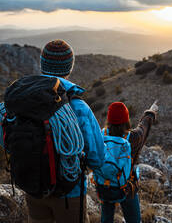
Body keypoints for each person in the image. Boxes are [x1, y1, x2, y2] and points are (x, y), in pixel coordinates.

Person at [1, 39, 105, 223]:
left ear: (42, 65)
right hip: (69, 193)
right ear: (69, 67)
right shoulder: (78, 107)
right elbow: (97, 158)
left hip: (32, 187)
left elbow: (7, 139)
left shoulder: (19, 102)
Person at [93, 101, 158, 223]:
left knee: (106, 217)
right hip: (127, 186)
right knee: (133, 219)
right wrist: (150, 113)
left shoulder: (101, 134)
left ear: (109, 119)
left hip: (105, 184)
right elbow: (143, 127)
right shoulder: (134, 137)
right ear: (126, 119)